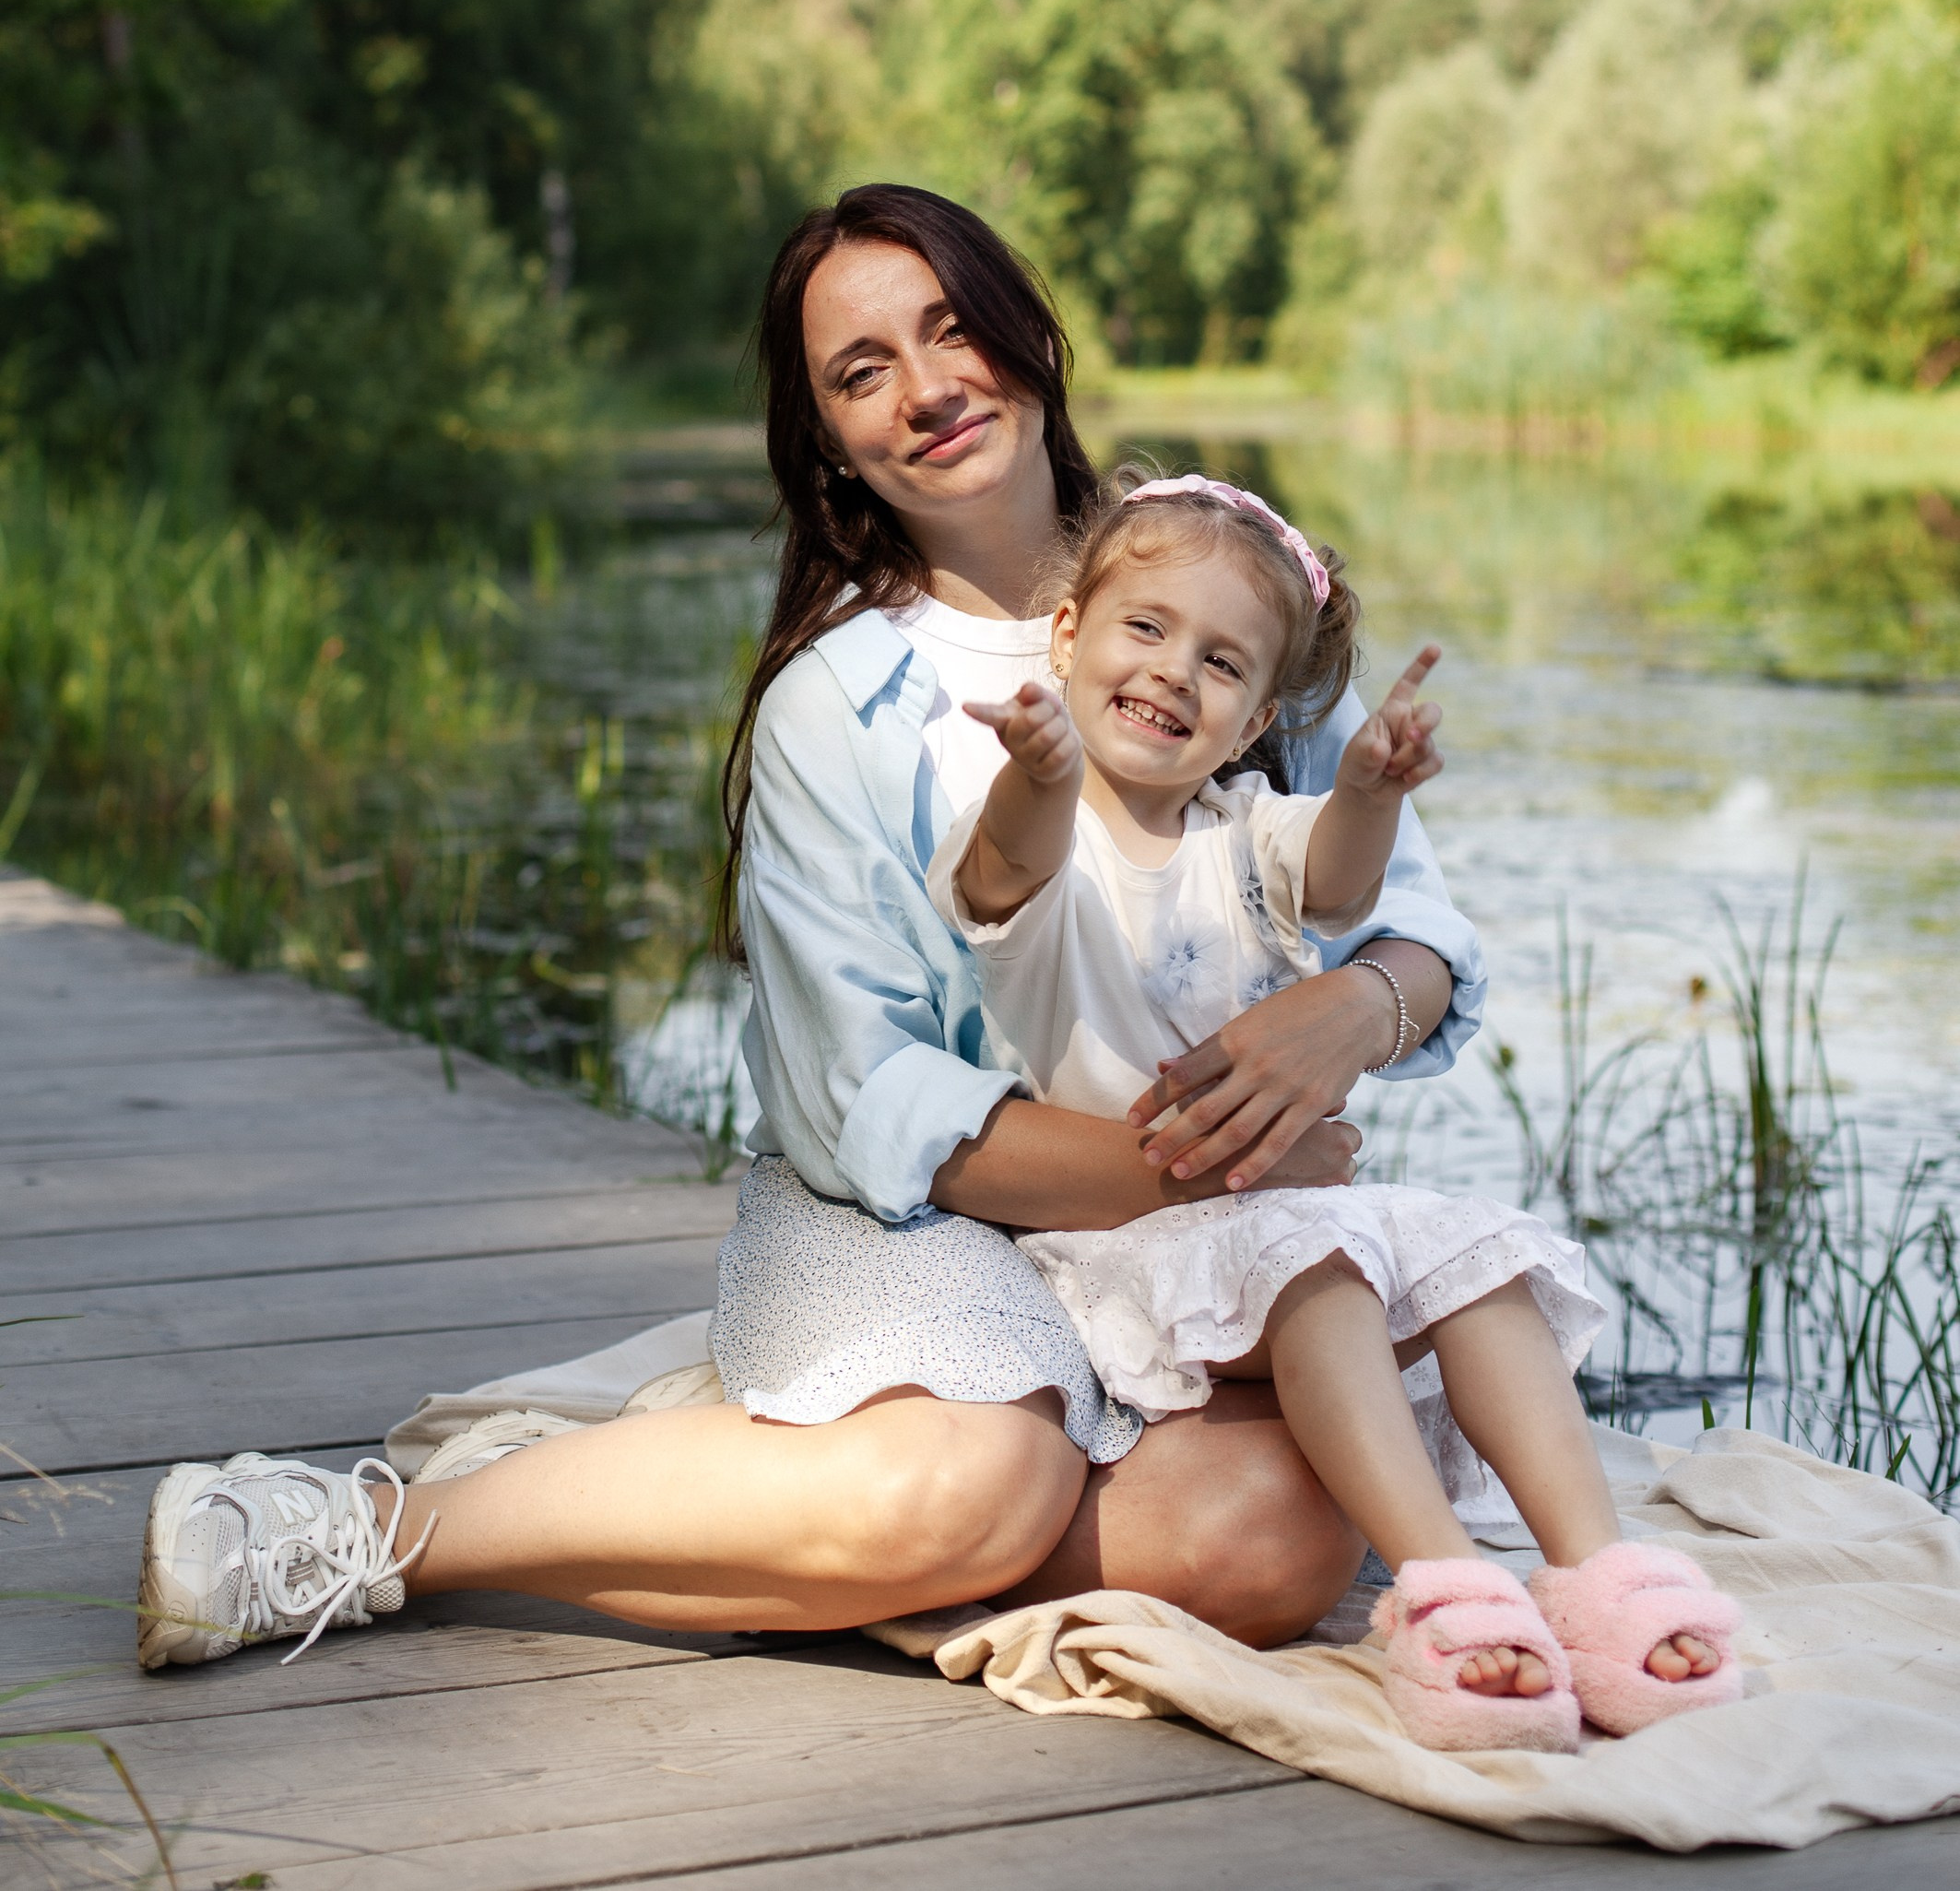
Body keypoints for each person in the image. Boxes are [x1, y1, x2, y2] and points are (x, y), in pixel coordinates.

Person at [138, 185, 1483, 1672]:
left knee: (1275, 1544)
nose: (924, 390)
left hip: (1167, 1249)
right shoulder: (837, 705)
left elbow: (1412, 923)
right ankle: (373, 1531)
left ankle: (801, 1516)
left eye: (951, 329)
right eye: (860, 373)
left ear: (1029, 339)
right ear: (830, 440)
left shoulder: (1216, 590)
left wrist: (1359, 1008)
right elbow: (872, 1114)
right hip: (909, 1222)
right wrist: (1207, 1160)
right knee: (983, 1481)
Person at [941, 467, 1742, 1752]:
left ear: (1258, 710)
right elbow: (1003, 867)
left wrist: (1370, 785)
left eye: (1219, 662)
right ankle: (1446, 1590)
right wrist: (1033, 762)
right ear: (1067, 634)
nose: (1169, 673)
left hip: (1266, 1222)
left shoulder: (1244, 829)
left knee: (1473, 1260)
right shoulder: (1046, 840)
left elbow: (1336, 877)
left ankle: (1597, 1574)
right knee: (1315, 1263)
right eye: (1142, 629)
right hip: (1110, 1242)